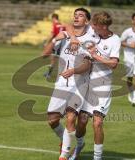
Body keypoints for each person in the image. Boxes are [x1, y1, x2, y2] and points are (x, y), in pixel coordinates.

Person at [42, 8, 100, 160]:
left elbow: (87, 66)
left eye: (80, 15)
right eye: (75, 15)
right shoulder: (66, 35)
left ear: (86, 21)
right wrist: (56, 39)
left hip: (79, 85)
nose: (76, 17)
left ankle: (64, 155)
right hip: (61, 84)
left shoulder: (90, 39)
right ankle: (65, 140)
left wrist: (73, 70)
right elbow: (44, 54)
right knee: (52, 120)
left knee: (70, 118)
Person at [63, 12, 121, 160]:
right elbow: (68, 26)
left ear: (103, 26)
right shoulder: (92, 35)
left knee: (97, 122)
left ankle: (97, 157)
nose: (92, 27)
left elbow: (113, 64)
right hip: (85, 84)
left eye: (95, 25)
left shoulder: (115, 40)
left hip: (102, 85)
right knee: (82, 121)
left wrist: (96, 57)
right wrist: (75, 40)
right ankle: (79, 145)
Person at [43, 13, 65, 78]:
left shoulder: (55, 25)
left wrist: (47, 42)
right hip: (64, 43)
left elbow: (52, 34)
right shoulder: (62, 25)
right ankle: (49, 73)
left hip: (57, 43)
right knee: (58, 58)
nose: (51, 20)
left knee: (53, 58)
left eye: (52, 19)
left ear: (54, 18)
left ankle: (49, 74)